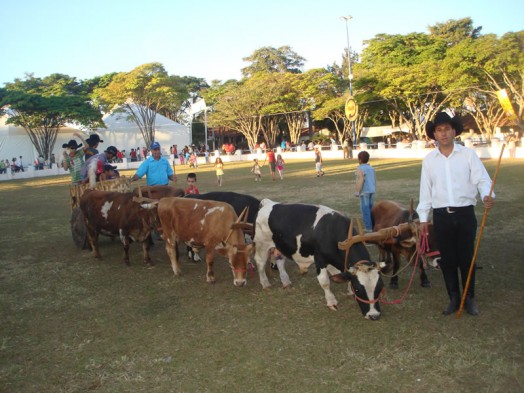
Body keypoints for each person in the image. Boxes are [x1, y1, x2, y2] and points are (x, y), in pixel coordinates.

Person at [417, 112, 495, 317]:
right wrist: (424, 218)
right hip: (441, 216)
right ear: (434, 134)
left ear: (454, 131)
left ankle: (469, 299)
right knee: (448, 260)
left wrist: (487, 195)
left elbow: (483, 180)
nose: (443, 133)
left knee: (466, 258)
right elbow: (425, 191)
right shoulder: (429, 160)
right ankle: (453, 297)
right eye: (439, 130)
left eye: (447, 129)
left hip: (465, 214)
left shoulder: (468, 155)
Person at [355, 151, 376, 232]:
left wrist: (357, 191)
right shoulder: (371, 168)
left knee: (365, 210)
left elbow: (360, 180)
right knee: (371, 209)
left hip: (364, 192)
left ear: (360, 160)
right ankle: (373, 226)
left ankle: (368, 228)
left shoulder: (359, 168)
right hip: (372, 190)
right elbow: (374, 179)